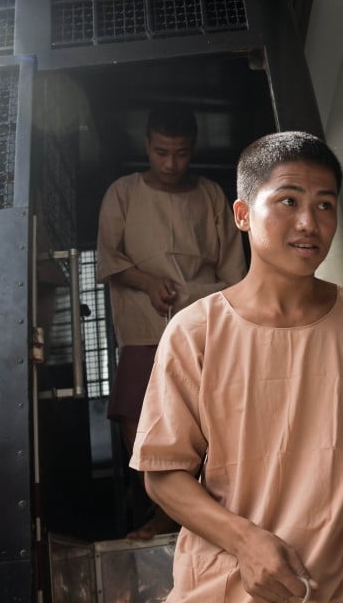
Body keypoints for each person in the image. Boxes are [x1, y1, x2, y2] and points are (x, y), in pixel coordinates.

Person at [130, 131, 343, 602]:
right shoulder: (195, 333)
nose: (309, 222)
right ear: (243, 214)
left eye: (325, 205)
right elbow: (163, 473)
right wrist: (245, 541)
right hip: (224, 589)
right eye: (288, 201)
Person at [96, 104, 247, 539]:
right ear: (146, 145)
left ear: (193, 150)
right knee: (136, 415)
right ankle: (166, 509)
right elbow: (108, 259)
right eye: (161, 152)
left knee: (207, 419)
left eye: (180, 153)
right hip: (144, 328)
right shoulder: (122, 193)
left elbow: (234, 272)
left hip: (205, 326)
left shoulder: (212, 195)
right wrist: (144, 281)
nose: (170, 163)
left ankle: (209, 509)